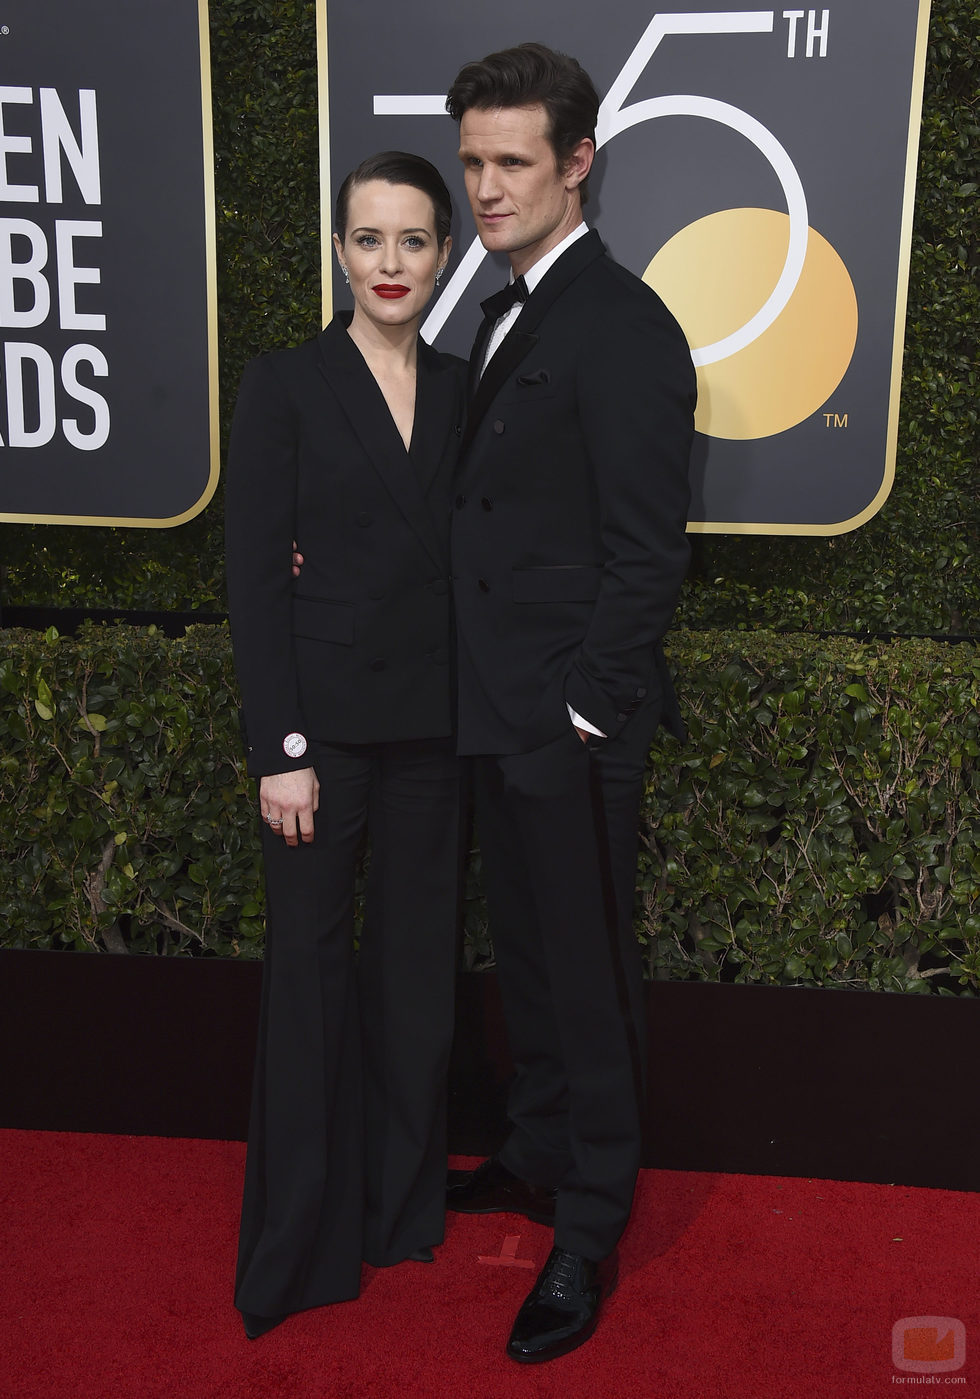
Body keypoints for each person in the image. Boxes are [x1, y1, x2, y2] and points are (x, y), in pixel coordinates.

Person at [442, 44, 696, 1363]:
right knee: (529, 956)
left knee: (586, 977)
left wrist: (586, 715)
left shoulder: (624, 323)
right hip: (495, 708)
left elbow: (650, 547)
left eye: (513, 162)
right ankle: (538, 1148)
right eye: (474, 161)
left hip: (565, 724)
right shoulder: (503, 307)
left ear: (578, 162)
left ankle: (589, 1224)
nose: (486, 187)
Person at [224, 151, 465, 1340]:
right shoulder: (284, 385)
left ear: (443, 253)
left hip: (434, 738)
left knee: (417, 984)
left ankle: (396, 1210)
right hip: (316, 746)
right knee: (310, 982)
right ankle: (303, 1241)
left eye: (412, 241)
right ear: (337, 248)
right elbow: (256, 582)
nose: (389, 263)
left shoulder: (466, 390)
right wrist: (279, 745)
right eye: (368, 239)